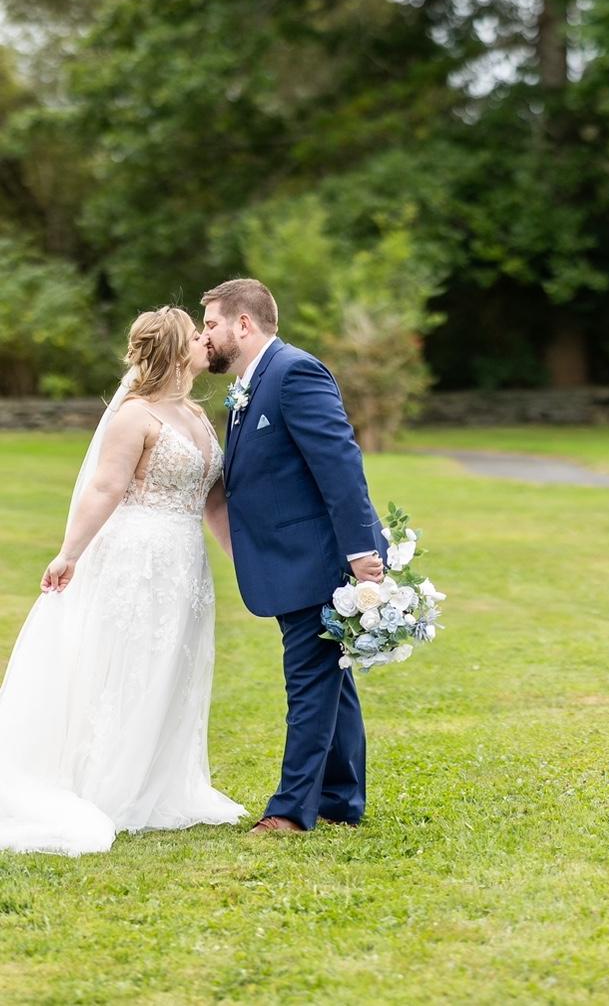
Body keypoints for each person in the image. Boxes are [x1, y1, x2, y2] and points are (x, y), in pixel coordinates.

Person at [0, 307, 245, 856]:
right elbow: (106, 488)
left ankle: (156, 783)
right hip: (137, 558)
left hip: (185, 562)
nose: (206, 341)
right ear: (176, 352)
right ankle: (107, 784)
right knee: (127, 663)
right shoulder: (134, 416)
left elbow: (213, 500)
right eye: (197, 336)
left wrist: (241, 559)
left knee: (173, 665)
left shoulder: (196, 415)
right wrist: (69, 554)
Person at [201, 278, 385, 834]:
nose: (204, 337)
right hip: (286, 559)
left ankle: (290, 812)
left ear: (243, 324)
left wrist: (361, 550)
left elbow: (340, 464)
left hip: (316, 559)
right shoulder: (250, 385)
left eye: (210, 324)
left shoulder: (295, 372)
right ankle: (340, 800)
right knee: (331, 679)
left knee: (308, 682)